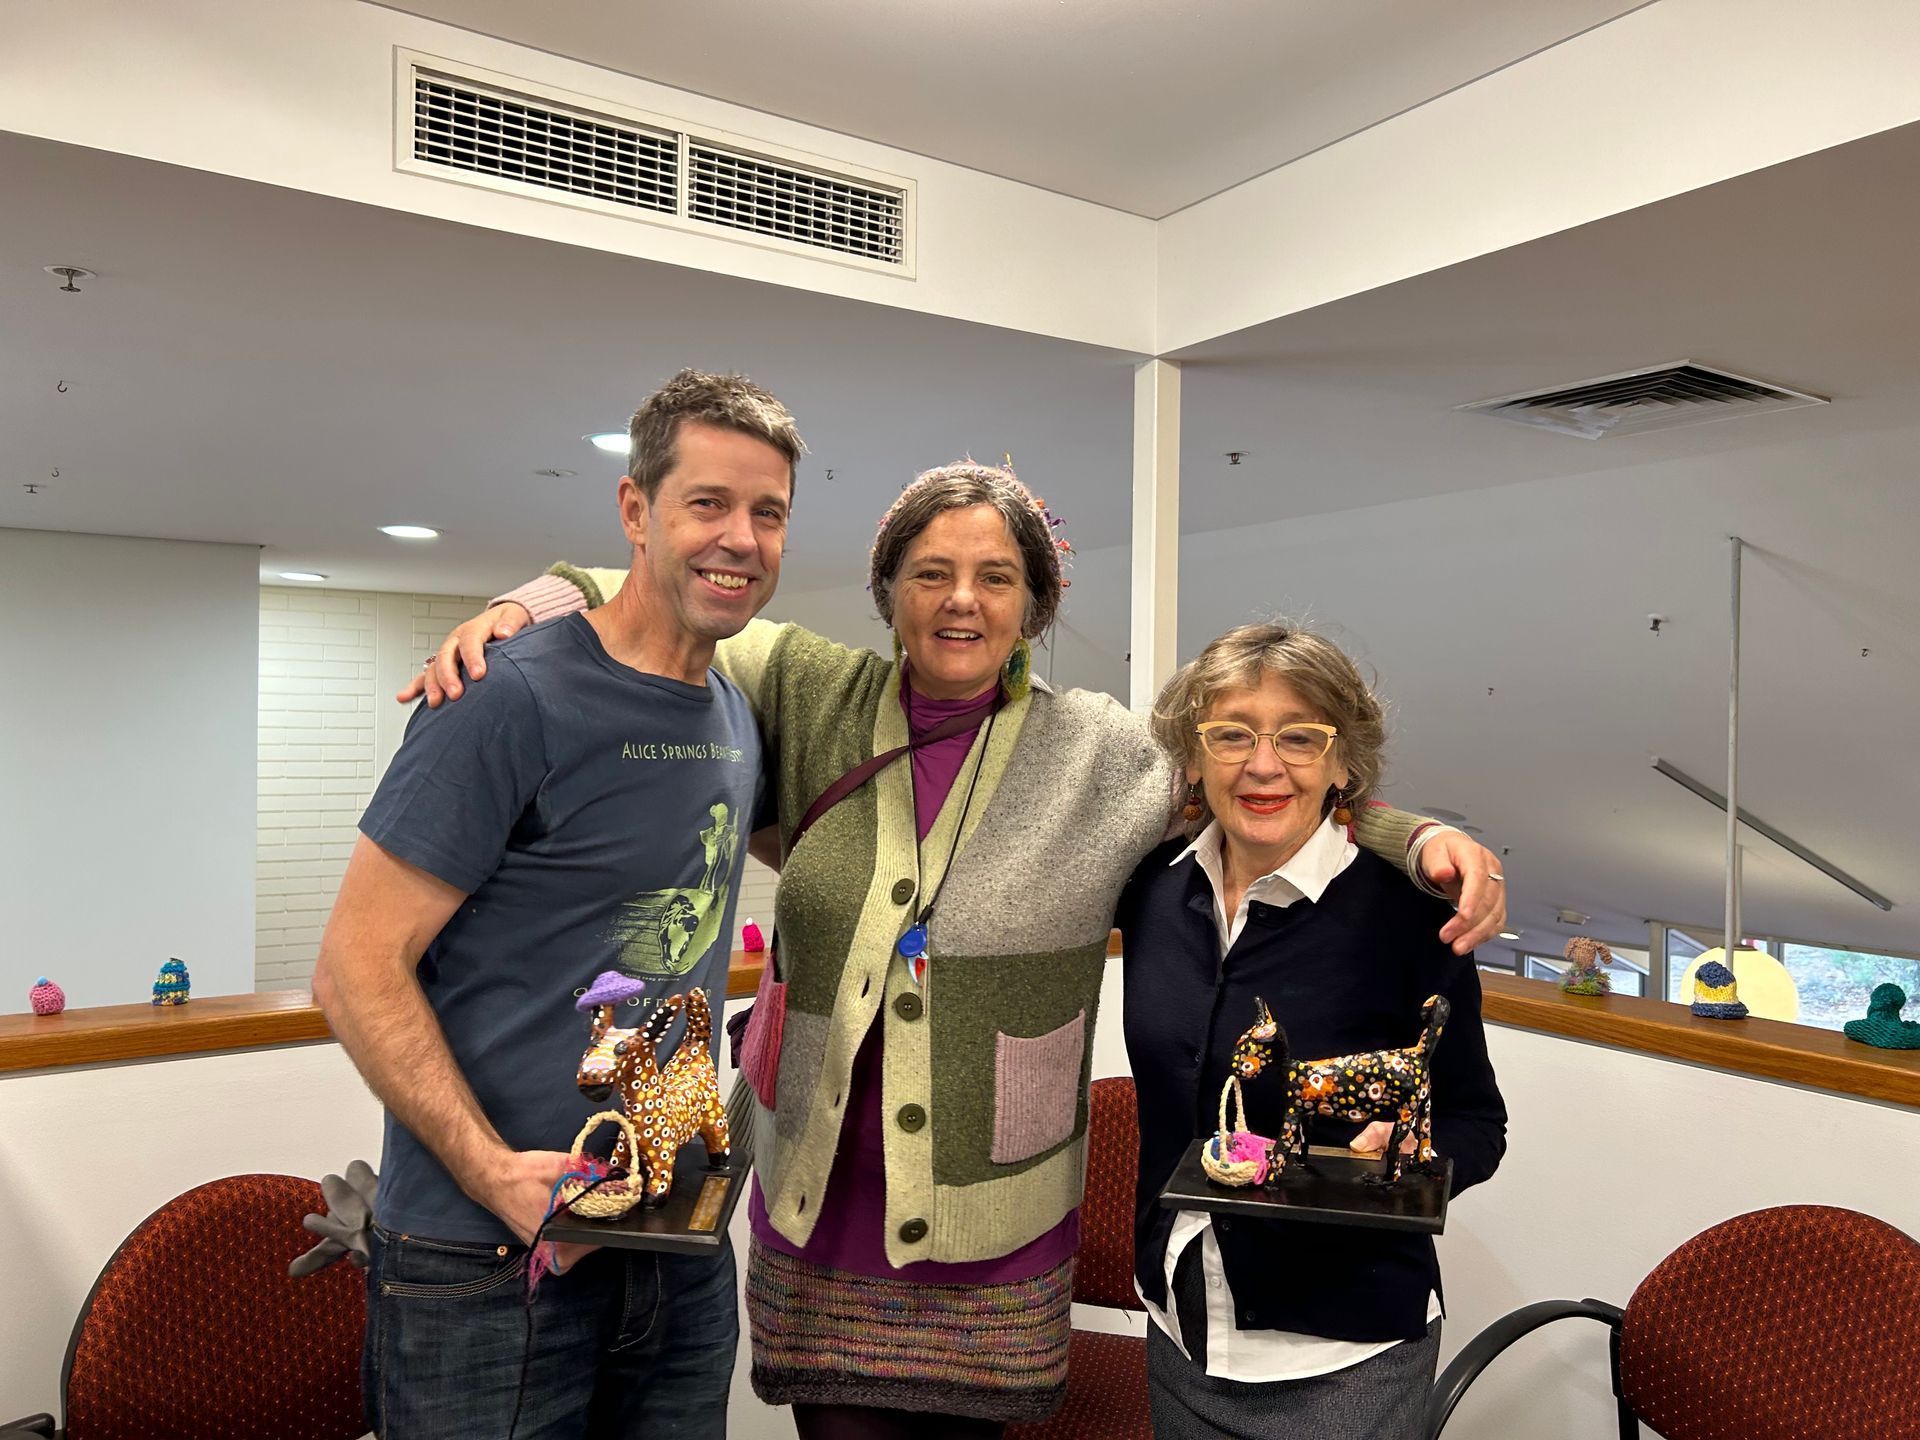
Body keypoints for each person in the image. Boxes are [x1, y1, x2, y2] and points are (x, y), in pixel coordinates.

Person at [410, 463, 1507, 1437]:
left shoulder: (1104, 750)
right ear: (888, 590)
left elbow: (1268, 779)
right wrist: (524, 606)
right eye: (931, 573)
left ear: (1036, 602)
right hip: (822, 1210)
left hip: (995, 1225)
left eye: (995, 576)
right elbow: (648, 589)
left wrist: (1422, 839)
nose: (962, 601)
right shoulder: (809, 689)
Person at [312, 368, 802, 1440]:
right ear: (635, 511)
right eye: (707, 504)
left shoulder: (734, 712)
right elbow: (353, 968)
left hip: (671, 1241)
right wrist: (494, 1175)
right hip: (486, 1253)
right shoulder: (505, 697)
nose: (740, 539)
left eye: (767, 513)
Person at [1122, 622, 1508, 1440]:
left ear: (1343, 765)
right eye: (1231, 735)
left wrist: (1412, 1160)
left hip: (1344, 1361)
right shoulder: (1154, 892)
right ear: (1193, 756)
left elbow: (1479, 1122)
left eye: (1301, 738)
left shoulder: (1410, 917)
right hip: (1177, 1333)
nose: (1264, 765)